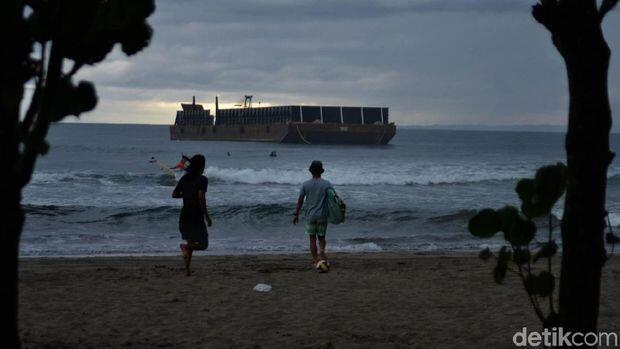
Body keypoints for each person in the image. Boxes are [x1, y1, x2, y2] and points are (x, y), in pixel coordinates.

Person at [172, 154, 212, 276]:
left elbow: (174, 194)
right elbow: (201, 197)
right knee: (203, 244)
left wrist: (186, 195)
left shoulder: (184, 178)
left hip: (185, 215)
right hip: (196, 216)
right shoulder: (202, 179)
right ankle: (185, 248)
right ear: (201, 165)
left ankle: (187, 271)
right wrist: (207, 216)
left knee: (190, 243)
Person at [293, 160, 333, 266]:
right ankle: (322, 255)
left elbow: (300, 200)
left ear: (311, 171)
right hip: (322, 215)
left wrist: (296, 214)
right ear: (321, 171)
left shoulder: (305, 184)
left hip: (310, 216)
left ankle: (315, 260)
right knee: (322, 238)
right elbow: (333, 199)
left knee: (312, 239)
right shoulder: (327, 184)